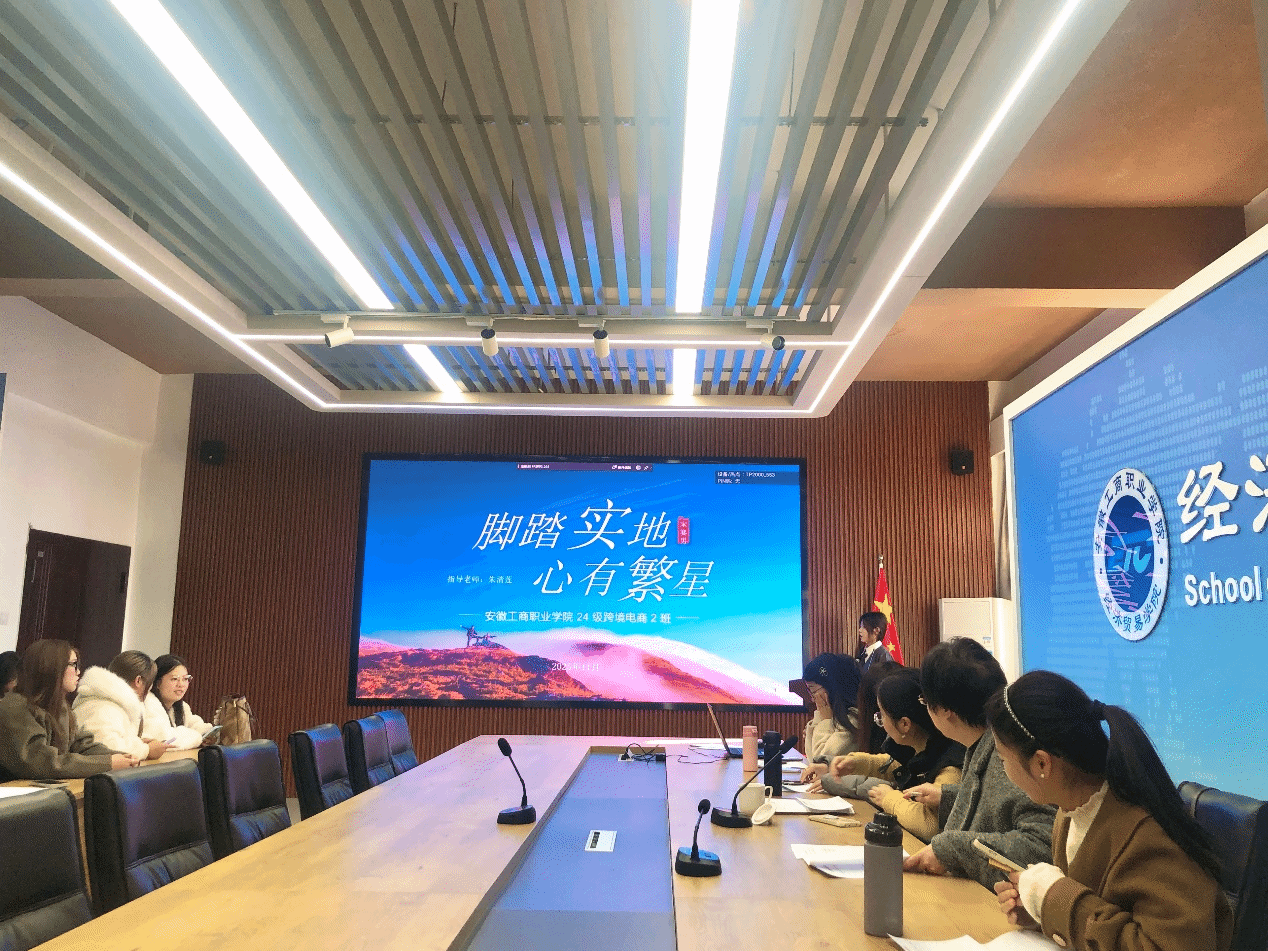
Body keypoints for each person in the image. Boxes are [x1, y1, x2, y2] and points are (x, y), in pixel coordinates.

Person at [988, 671, 1231, 951]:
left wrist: (1055, 898)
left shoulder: (1149, 835)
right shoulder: (1069, 813)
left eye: (1003, 759)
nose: (1004, 770)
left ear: (1042, 763)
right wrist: (1042, 912)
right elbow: (1103, 912)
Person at [902, 638, 1055, 888]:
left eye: (925, 701)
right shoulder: (984, 742)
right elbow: (999, 805)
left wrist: (949, 849)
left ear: (944, 709)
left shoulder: (1007, 754)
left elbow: (1042, 844)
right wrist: (949, 796)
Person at [826, 667, 964, 841]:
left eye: (882, 715)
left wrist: (889, 799)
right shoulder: (923, 745)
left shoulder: (950, 767)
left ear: (905, 724)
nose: (880, 721)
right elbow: (895, 764)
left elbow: (930, 825)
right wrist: (856, 763)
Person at [0, 639, 138, 780]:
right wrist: (107, 763)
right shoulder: (14, 707)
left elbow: (82, 746)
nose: (78, 672)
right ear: (51, 667)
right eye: (73, 664)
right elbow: (39, 762)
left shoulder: (59, 706)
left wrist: (123, 757)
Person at [73, 650, 167, 761]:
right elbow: (104, 748)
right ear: (138, 681)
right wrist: (146, 750)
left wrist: (137, 742)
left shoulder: (106, 699)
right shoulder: (105, 707)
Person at [798, 653, 861, 783]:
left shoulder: (852, 719)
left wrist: (825, 721)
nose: (812, 698)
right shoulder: (833, 715)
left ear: (831, 687)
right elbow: (811, 759)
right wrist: (821, 718)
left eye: (813, 691)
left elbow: (820, 760)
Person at [145, 654, 214, 749]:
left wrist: (208, 734)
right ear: (157, 682)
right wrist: (197, 736)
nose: (181, 684)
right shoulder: (148, 704)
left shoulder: (182, 706)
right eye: (174, 679)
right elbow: (167, 740)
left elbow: (195, 725)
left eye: (185, 679)